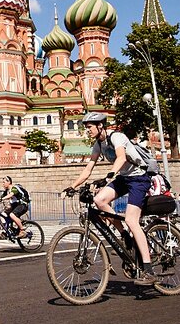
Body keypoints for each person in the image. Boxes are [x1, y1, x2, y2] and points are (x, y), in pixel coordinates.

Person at [67, 112, 158, 286]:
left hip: (139, 178)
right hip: (124, 178)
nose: (87, 131)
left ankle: (149, 271)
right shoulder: (98, 145)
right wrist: (73, 186)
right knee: (99, 200)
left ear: (100, 126)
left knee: (132, 220)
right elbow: (88, 169)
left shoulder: (117, 137)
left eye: (89, 127)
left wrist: (108, 177)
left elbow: (121, 158)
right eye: (86, 128)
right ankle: (124, 235)